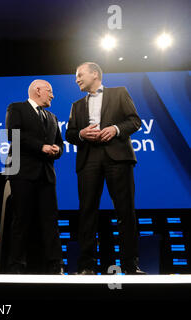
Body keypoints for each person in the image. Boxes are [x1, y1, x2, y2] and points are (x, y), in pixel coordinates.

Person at [66, 62, 145, 275]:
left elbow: (135, 121)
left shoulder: (119, 93)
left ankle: (130, 265)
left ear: (95, 74)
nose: (77, 80)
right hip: (88, 158)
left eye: (80, 75)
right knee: (87, 213)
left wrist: (116, 128)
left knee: (125, 211)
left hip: (117, 157)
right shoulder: (76, 105)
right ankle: (86, 267)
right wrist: (82, 134)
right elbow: (70, 134)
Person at [5, 80, 64, 274]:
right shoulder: (16, 108)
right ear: (37, 90)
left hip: (47, 175)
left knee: (50, 221)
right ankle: (16, 266)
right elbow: (13, 135)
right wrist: (40, 147)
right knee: (21, 220)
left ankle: (55, 265)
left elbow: (60, 145)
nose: (52, 95)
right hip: (23, 172)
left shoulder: (53, 117)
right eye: (50, 90)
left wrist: (57, 150)